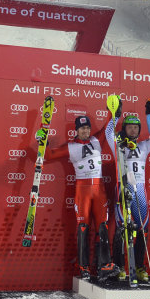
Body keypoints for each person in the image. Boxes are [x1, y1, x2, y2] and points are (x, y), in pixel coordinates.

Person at [40, 115, 120, 282]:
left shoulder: (96, 140)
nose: (86, 131)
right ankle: (84, 267)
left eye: (87, 128)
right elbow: (49, 155)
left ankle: (103, 265)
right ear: (76, 130)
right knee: (83, 228)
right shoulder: (71, 146)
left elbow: (107, 127)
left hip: (99, 190)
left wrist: (114, 112)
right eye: (82, 128)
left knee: (103, 227)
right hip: (83, 191)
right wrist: (43, 139)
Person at [106, 97, 150, 282]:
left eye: (136, 127)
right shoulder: (117, 145)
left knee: (143, 228)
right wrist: (115, 116)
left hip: (139, 189)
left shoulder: (144, 146)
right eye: (130, 127)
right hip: (123, 187)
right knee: (121, 227)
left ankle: (139, 267)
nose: (133, 130)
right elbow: (108, 132)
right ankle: (119, 266)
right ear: (124, 129)